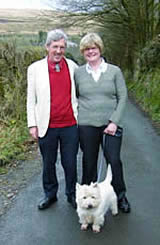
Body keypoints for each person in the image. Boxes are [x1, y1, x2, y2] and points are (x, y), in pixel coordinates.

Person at [74, 32, 131, 213]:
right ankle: (86, 200)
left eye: (94, 48)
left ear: (100, 49)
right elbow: (73, 97)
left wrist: (114, 121)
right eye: (87, 49)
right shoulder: (78, 73)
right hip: (86, 125)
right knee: (89, 163)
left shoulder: (114, 71)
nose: (91, 52)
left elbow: (123, 97)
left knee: (113, 161)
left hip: (110, 126)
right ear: (83, 52)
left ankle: (120, 196)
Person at [27, 29, 79, 210]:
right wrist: (32, 124)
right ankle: (50, 194)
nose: (58, 51)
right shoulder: (34, 69)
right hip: (46, 125)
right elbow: (30, 99)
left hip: (70, 125)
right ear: (47, 47)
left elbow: (79, 95)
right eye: (55, 47)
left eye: (62, 47)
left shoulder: (73, 67)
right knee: (48, 162)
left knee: (70, 163)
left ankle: (72, 194)